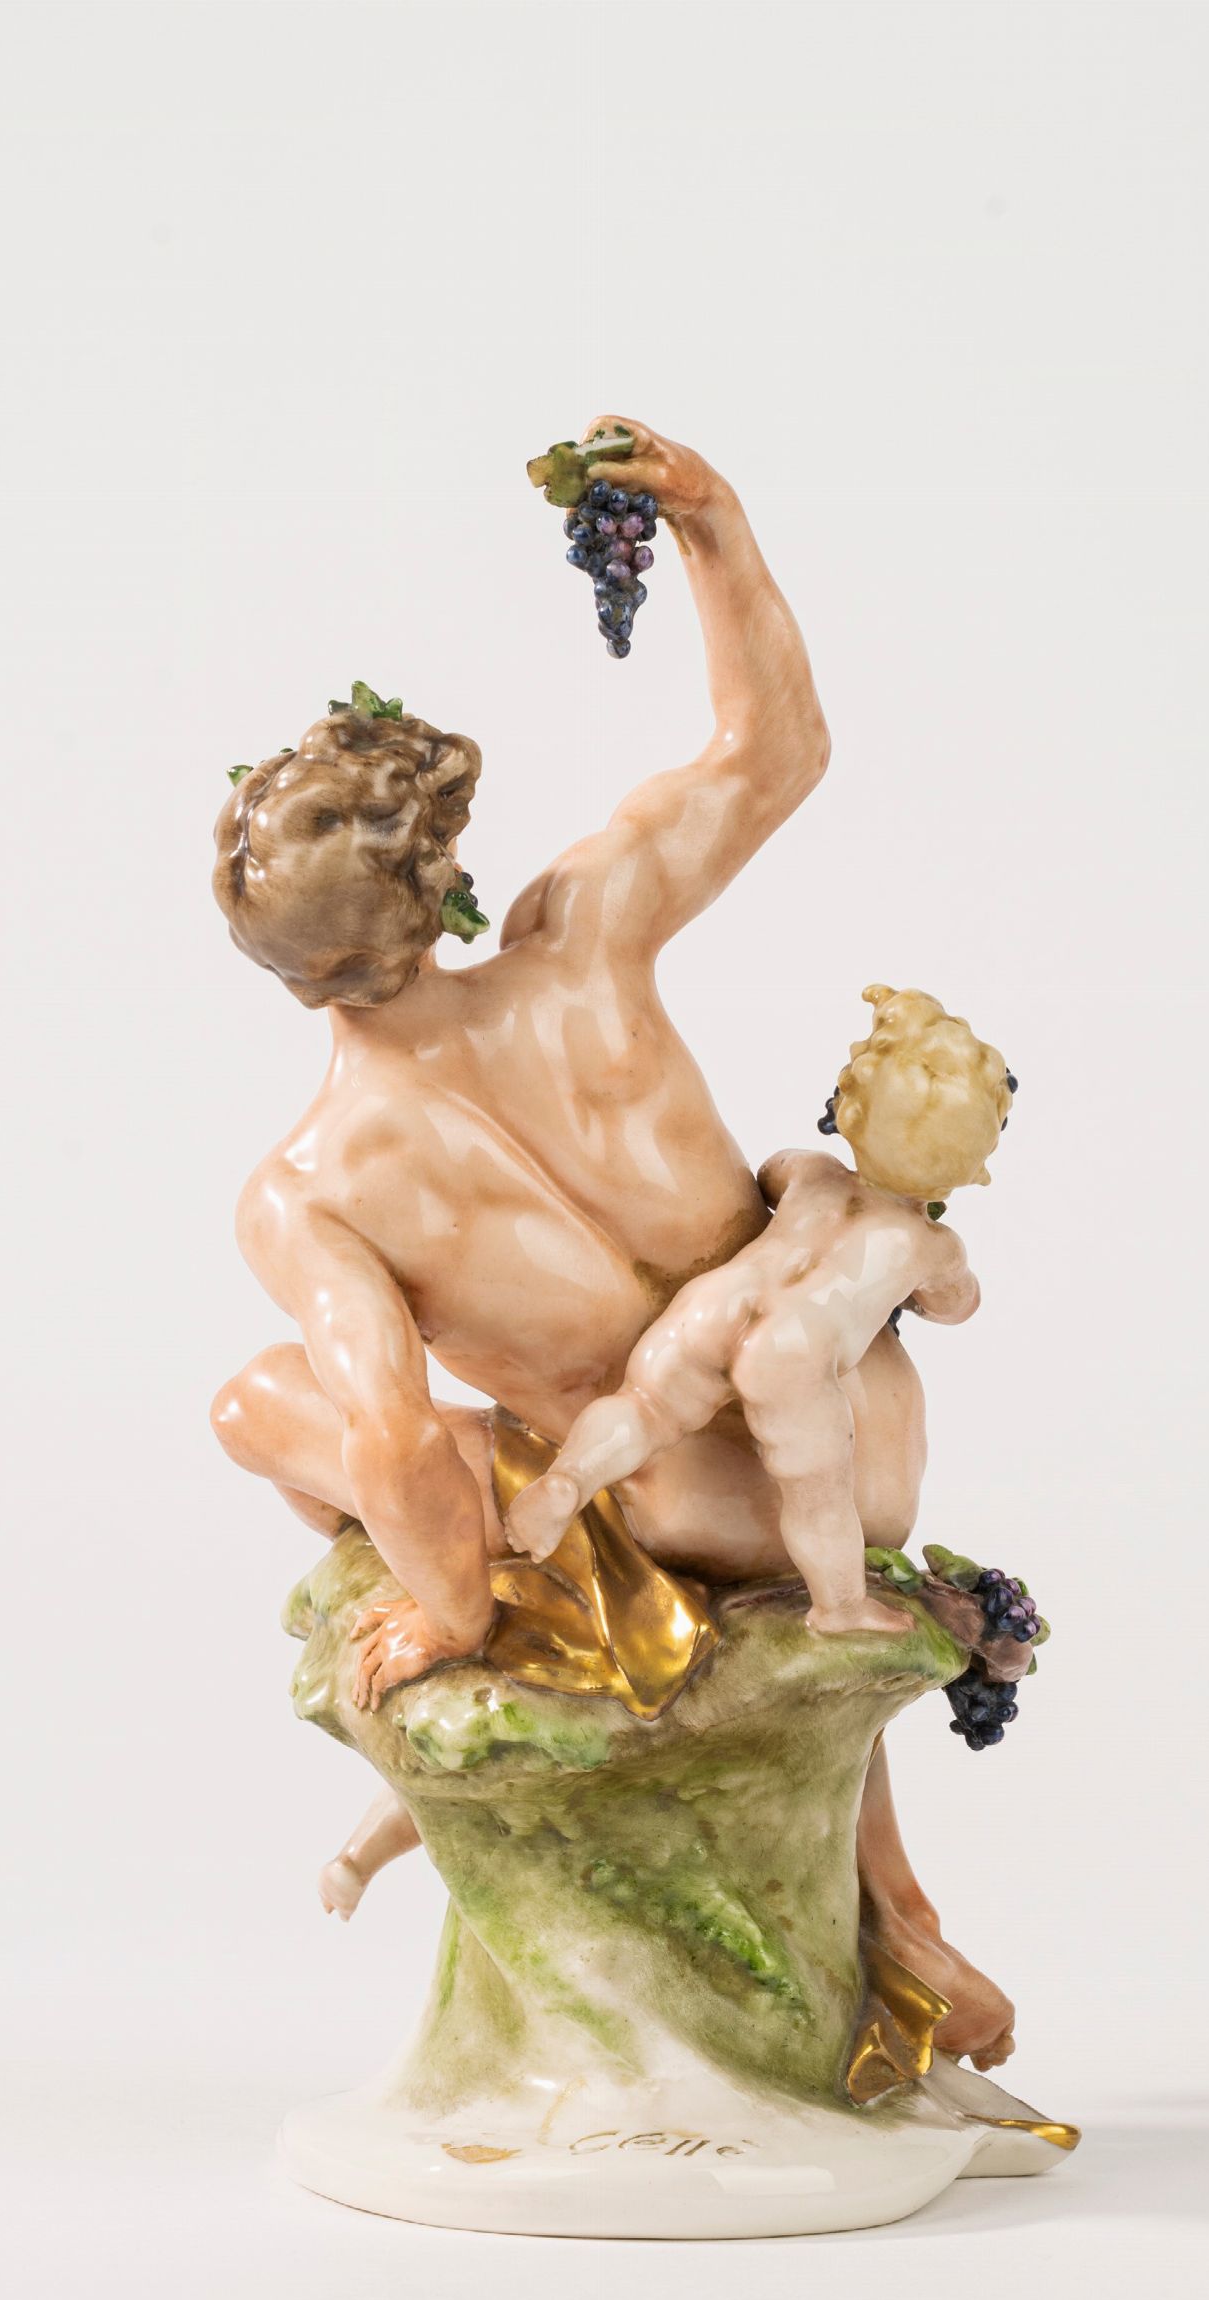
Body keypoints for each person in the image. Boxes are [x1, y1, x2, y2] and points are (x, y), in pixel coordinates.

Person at [210, 419, 1015, 2063]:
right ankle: (902, 1921)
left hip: (684, 1506)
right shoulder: (578, 941)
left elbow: (389, 1438)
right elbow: (772, 748)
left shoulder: (313, 1188)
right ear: (440, 883)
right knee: (697, 1453)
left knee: (254, 1407)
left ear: (280, 967)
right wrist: (710, 522)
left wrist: (448, 1615)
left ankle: (852, 1890)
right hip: (868, 1432)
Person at [505, 989, 1023, 1646]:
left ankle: (568, 1480)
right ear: (974, 1162)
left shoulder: (812, 1172)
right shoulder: (932, 1245)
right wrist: (918, 1292)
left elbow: (768, 1175)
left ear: (851, 1109)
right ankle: (839, 1606)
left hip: (723, 1299)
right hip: (797, 1351)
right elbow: (956, 1304)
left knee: (645, 1406)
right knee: (818, 1491)